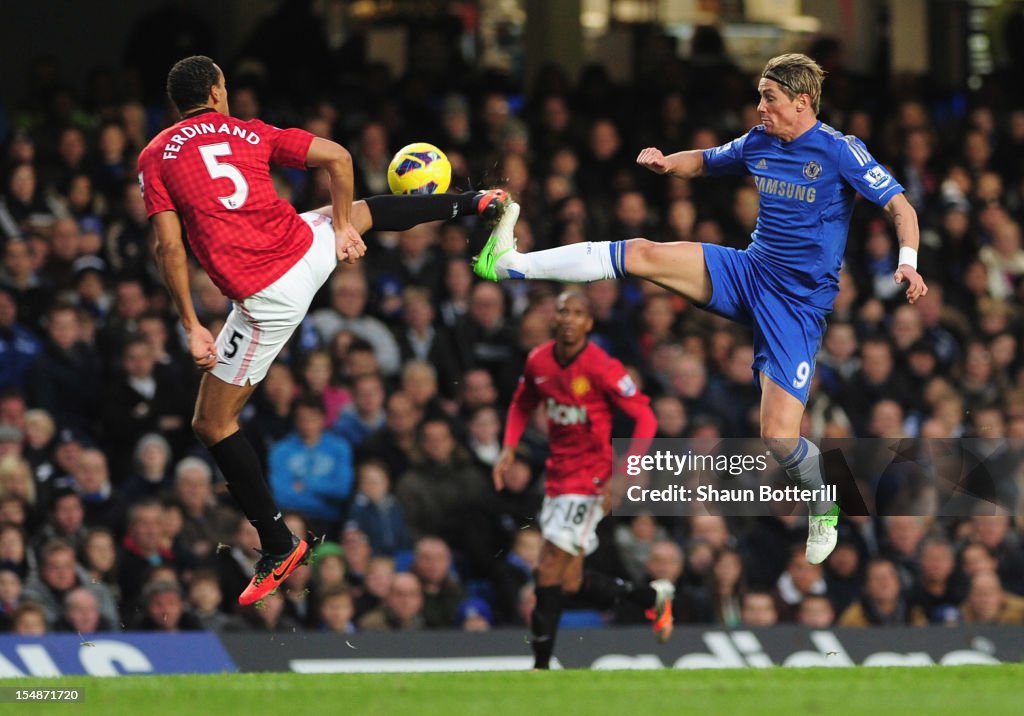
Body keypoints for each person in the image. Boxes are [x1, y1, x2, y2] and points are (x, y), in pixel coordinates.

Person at [474, 53, 928, 566]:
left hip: (797, 307)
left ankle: (823, 498)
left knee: (778, 436)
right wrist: (670, 162)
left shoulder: (840, 151)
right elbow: (708, 160)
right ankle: (513, 265)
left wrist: (908, 262)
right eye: (759, 95)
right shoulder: (759, 140)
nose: (759, 107)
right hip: (749, 271)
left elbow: (900, 207)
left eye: (769, 97)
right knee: (644, 253)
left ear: (801, 103)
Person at [139, 56, 507, 606]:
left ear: (178, 103)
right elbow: (337, 156)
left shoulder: (155, 156)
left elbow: (169, 246)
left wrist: (193, 324)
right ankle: (475, 202)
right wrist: (337, 230)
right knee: (362, 211)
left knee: (212, 422)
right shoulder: (247, 130)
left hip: (268, 296)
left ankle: (276, 542)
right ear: (217, 92)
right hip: (302, 247)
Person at [494, 290, 671, 670]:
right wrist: (509, 446)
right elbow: (524, 401)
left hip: (593, 479)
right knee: (569, 582)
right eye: (563, 312)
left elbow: (645, 417)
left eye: (578, 313)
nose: (570, 319)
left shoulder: (602, 366)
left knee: (547, 567)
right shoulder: (539, 360)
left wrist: (626, 474)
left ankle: (540, 668)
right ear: (553, 319)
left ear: (589, 323)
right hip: (558, 478)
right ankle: (651, 597)